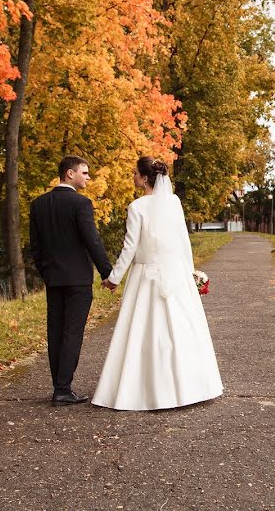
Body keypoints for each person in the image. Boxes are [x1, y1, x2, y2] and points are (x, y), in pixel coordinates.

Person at [92, 157, 223, 411]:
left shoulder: (137, 207)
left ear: (144, 178)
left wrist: (114, 278)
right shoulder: (173, 202)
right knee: (179, 328)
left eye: (134, 173)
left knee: (145, 330)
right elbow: (183, 241)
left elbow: (129, 248)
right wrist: (190, 272)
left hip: (146, 276)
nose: (132, 176)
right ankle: (190, 386)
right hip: (175, 273)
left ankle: (143, 389)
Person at [29, 155, 113, 406]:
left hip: (53, 278)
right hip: (77, 280)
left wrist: (46, 272)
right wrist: (107, 272)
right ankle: (63, 389)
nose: (88, 177)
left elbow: (36, 247)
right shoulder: (81, 204)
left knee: (55, 331)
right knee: (72, 333)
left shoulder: (39, 204)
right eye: (85, 173)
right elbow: (92, 240)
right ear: (69, 174)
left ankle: (59, 386)